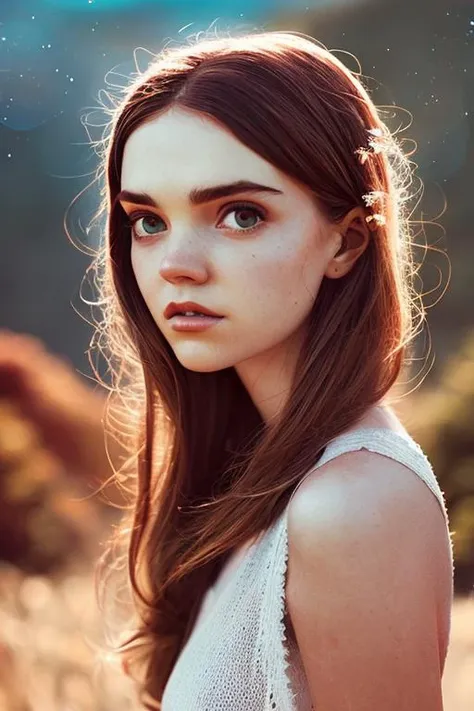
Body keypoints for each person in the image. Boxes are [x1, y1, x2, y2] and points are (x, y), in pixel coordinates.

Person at [92, 30, 454, 710]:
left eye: (239, 214)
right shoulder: (265, 485)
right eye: (147, 220)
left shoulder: (353, 506)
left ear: (345, 240)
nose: (176, 264)